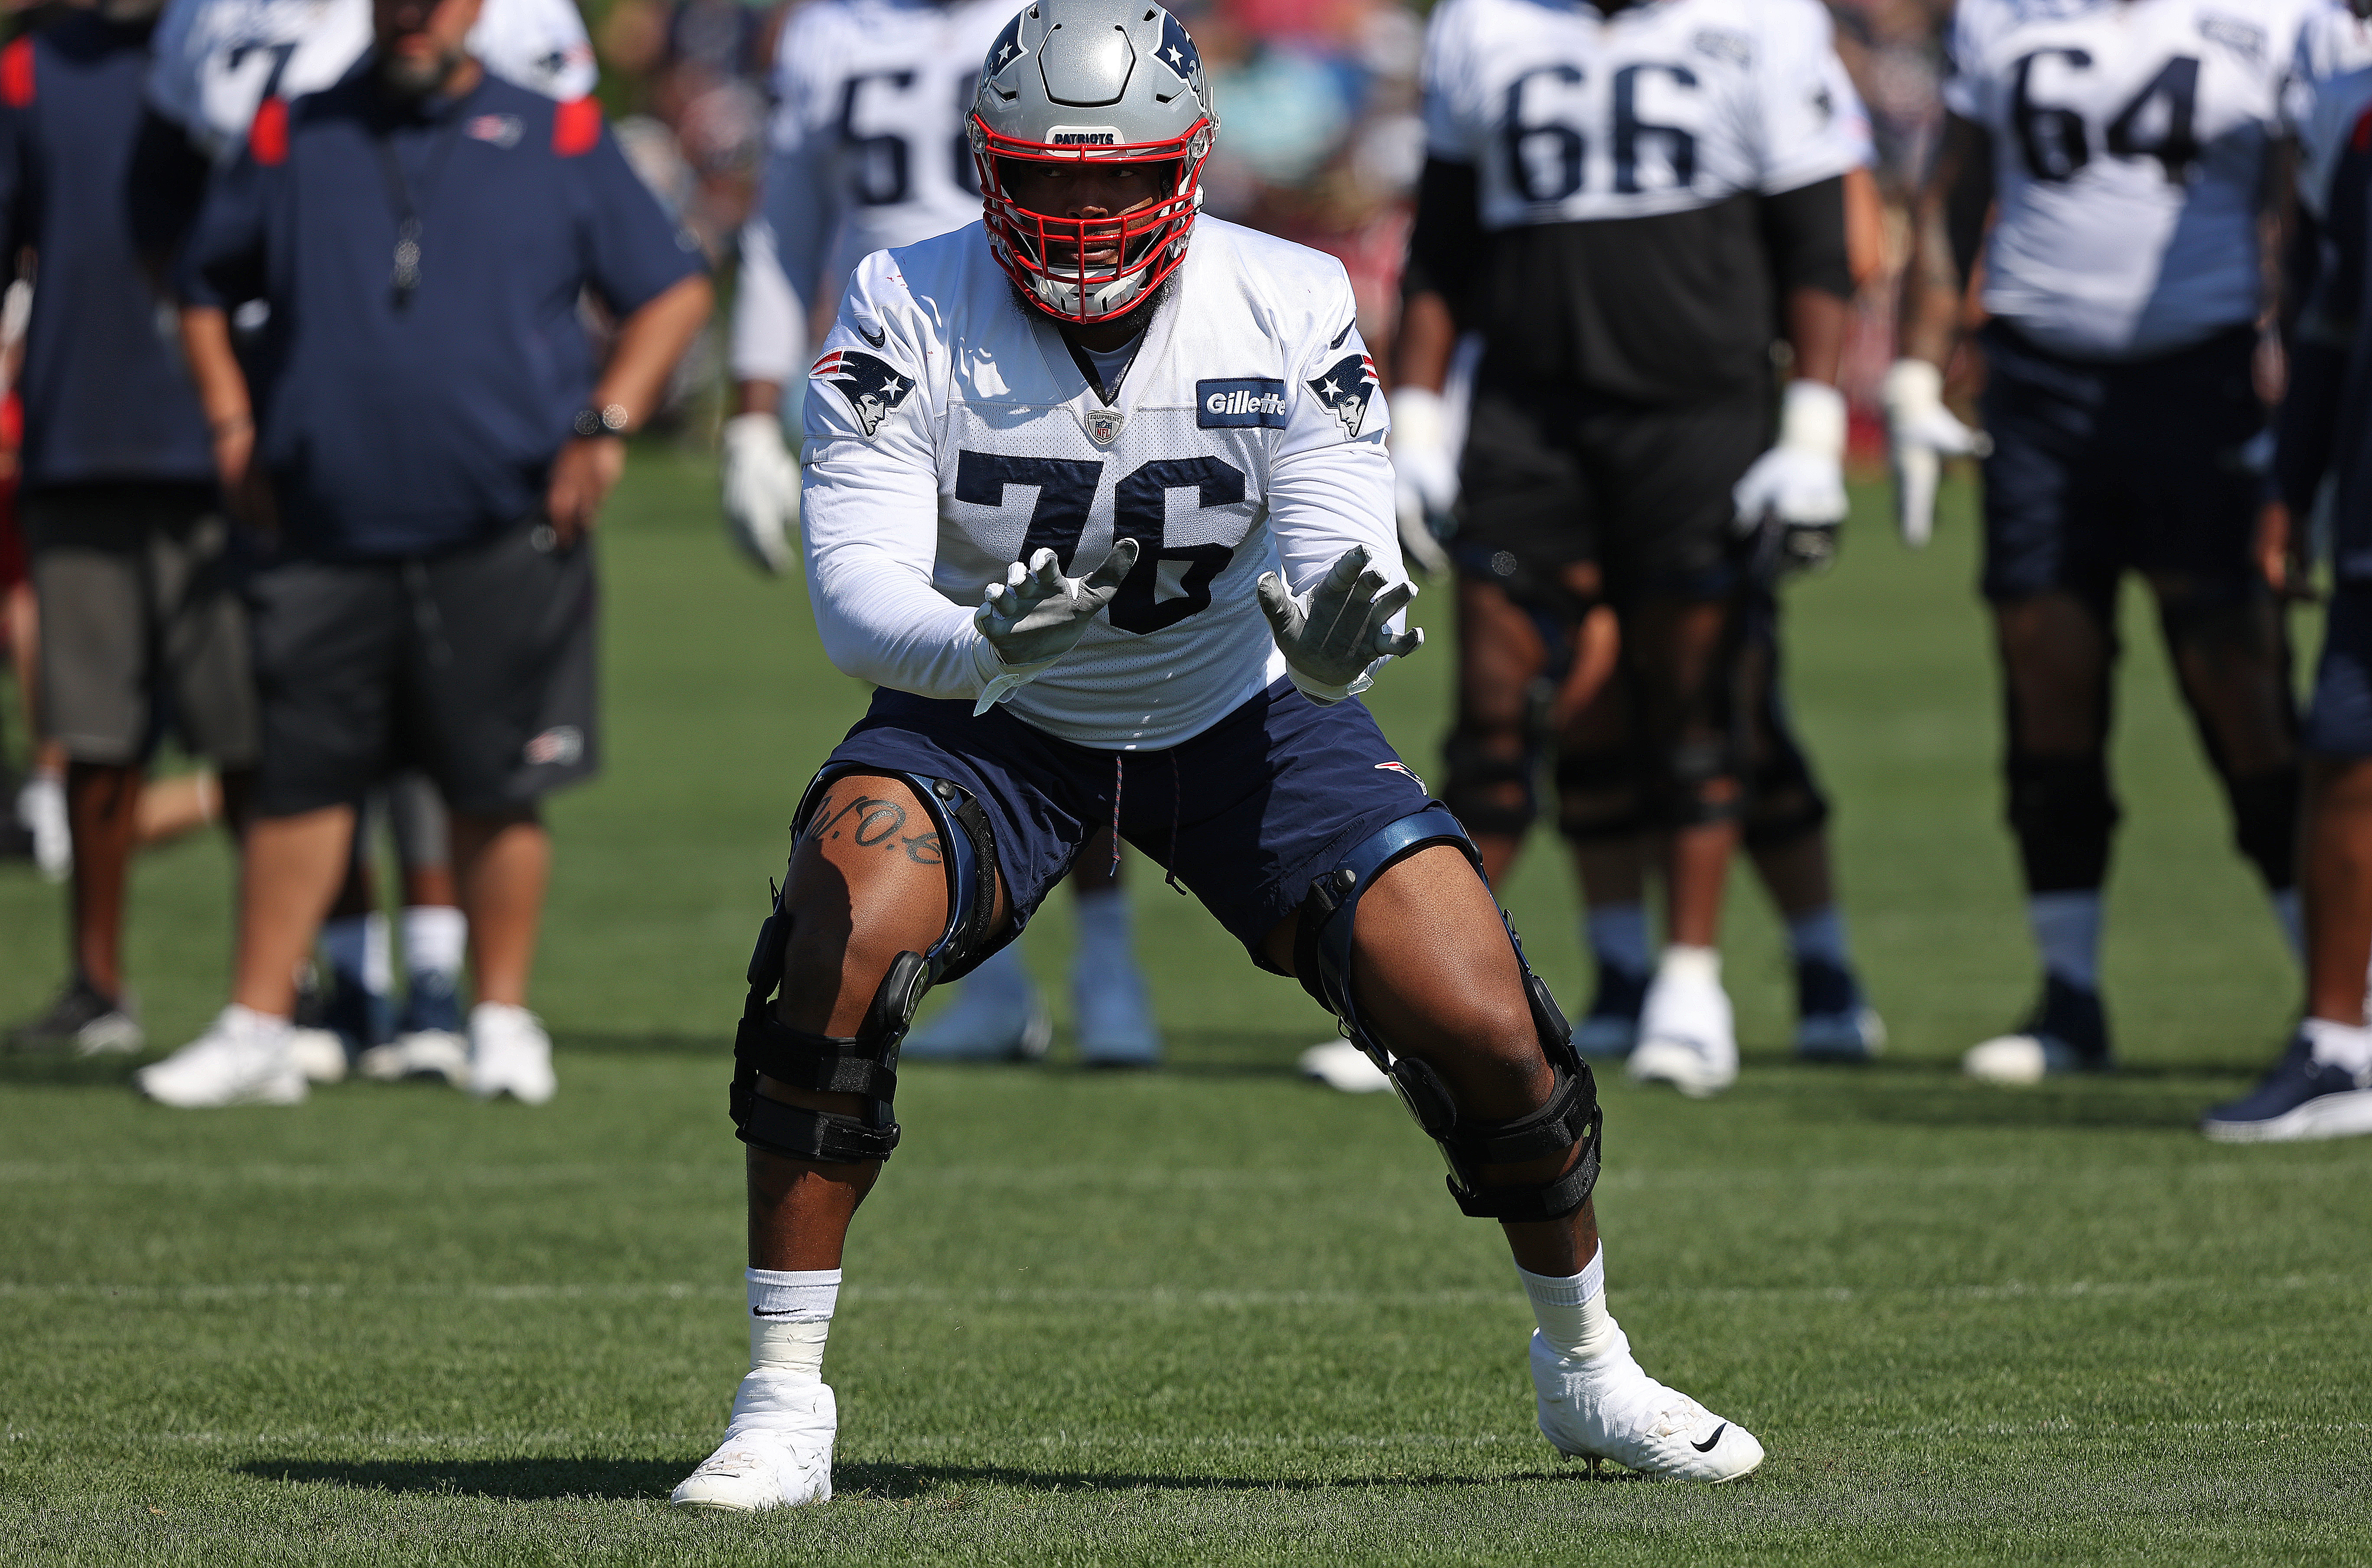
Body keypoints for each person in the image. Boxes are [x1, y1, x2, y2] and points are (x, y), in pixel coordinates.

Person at [667, 0, 1763, 1511]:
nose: (1082, 208)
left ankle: (1587, 1364)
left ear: (1187, 164)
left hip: (1241, 706)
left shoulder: (1289, 293)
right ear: (985, 167)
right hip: (992, 712)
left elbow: (1341, 552)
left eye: (1119, 176)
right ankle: (781, 1396)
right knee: (845, 919)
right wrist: (984, 645)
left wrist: (1336, 641)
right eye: (1046, 176)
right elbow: (854, 598)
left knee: (1486, 1015)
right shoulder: (903, 297)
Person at [131, 0, 711, 1108]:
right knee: (299, 780)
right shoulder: (294, 128)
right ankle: (260, 1021)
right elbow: (204, 284)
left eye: (435, 0)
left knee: (497, 780)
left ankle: (500, 1018)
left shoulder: (561, 131)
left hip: (501, 520)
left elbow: (672, 288)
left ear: (478, 10)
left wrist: (609, 422)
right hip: (322, 519)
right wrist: (229, 423)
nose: (412, 17)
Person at [1362, 0, 1868, 1100]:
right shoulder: (1482, 23)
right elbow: (1443, 241)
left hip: (1698, 409)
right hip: (1530, 413)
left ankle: (1696, 982)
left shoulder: (1764, 21)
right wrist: (1424, 417)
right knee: (1498, 714)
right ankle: (1448, 1001)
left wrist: (1818, 421)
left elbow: (1818, 235)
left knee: (1697, 706)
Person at [721, 0, 1162, 1065]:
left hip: (1049, 347)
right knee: (917, 664)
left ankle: (1107, 969)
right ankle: (989, 974)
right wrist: (748, 409)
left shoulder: (1061, 20)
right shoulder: (825, 30)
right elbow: (787, 224)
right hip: (890, 370)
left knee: (1085, 655)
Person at [1891, 0, 2317, 1084]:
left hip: (2205, 376)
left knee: (2243, 688)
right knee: (2048, 673)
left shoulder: (2278, 18)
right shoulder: (1999, 13)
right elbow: (1954, 192)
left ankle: (2337, 995)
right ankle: (2069, 994)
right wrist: (1913, 366)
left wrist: (2301, 372)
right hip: (2038, 379)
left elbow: (2303, 202)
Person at [0, 0, 262, 1059]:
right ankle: (98, 985)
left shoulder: (237, 46)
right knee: (94, 739)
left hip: (230, 451)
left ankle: (285, 981)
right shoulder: (31, 68)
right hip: (77, 434)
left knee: (256, 736)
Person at [2199, 0, 2372, 1141]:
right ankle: (2341, 1043)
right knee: (2346, 742)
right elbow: (2331, 317)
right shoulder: (2350, 119)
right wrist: (2291, 481)